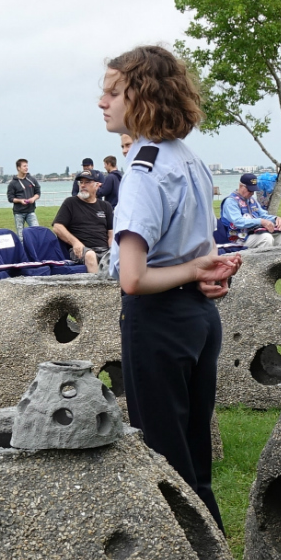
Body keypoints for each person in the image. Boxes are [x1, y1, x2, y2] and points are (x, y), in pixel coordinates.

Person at [101, 44, 240, 526]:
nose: (103, 103)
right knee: (194, 457)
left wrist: (195, 272)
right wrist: (203, 271)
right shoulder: (189, 160)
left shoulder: (142, 169)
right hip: (199, 319)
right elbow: (206, 248)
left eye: (113, 92)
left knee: (166, 460)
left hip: (160, 321)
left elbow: (133, 278)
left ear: (141, 96)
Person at [52, 170, 112, 271]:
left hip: (104, 249)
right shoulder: (70, 203)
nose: (83, 185)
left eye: (87, 182)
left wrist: (113, 249)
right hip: (81, 250)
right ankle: (97, 286)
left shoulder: (105, 206)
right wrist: (75, 242)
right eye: (81, 182)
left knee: (123, 254)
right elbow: (57, 227)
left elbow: (111, 233)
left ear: (97, 185)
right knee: (90, 255)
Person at [219, 173, 281, 246]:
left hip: (254, 234)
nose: (252, 193)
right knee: (266, 238)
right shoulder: (231, 202)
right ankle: (262, 257)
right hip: (239, 238)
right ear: (241, 186)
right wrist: (260, 221)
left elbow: (263, 215)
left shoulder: (252, 200)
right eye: (250, 190)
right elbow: (238, 222)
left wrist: (275, 219)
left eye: (253, 190)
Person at [7, 159, 40, 231]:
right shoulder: (13, 183)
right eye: (24, 166)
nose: (26, 168)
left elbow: (38, 193)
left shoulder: (32, 180)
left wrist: (33, 199)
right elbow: (10, 198)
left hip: (31, 211)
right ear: (19, 168)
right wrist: (20, 200)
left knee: (36, 230)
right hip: (19, 213)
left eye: (27, 166)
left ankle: (34, 242)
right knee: (20, 235)